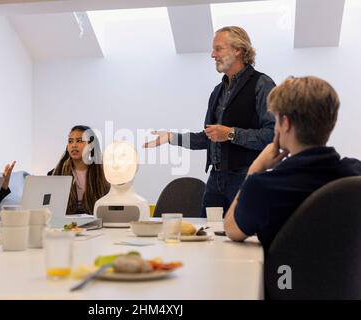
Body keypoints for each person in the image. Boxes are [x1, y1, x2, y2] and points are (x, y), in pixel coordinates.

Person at [144, 26, 276, 217]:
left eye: (218, 49)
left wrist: (231, 133)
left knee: (244, 239)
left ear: (238, 50)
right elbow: (210, 138)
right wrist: (172, 138)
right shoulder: (217, 91)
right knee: (206, 235)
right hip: (216, 179)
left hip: (246, 178)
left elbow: (272, 135)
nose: (213, 55)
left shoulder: (262, 84)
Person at [223, 76, 361, 251]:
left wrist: (255, 169)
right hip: (348, 279)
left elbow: (231, 230)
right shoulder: (355, 174)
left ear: (285, 123)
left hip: (284, 278)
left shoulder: (264, 186)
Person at [48, 125, 109, 215]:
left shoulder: (104, 174)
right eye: (70, 141)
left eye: (79, 141)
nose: (74, 145)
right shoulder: (55, 174)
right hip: (65, 226)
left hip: (96, 223)